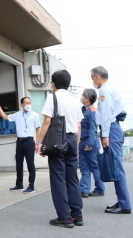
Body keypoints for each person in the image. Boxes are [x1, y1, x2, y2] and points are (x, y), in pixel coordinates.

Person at [36, 70, 84, 228]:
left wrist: (39, 142)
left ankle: (64, 217)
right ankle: (77, 215)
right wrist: (76, 146)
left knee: (58, 179)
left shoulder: (53, 97)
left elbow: (47, 121)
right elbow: (78, 125)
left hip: (58, 140)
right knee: (72, 179)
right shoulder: (75, 100)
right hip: (71, 140)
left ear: (54, 84)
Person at [91, 66, 132, 214]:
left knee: (116, 169)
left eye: (92, 78)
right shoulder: (111, 89)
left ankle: (124, 205)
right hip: (114, 129)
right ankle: (122, 202)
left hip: (111, 130)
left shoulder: (104, 91)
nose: (92, 81)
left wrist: (105, 135)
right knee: (116, 168)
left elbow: (107, 114)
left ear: (97, 77)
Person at [0, 97, 40, 193]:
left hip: (29, 142)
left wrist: (37, 143)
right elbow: (5, 117)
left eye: (29, 103)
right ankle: (19, 185)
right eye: (26, 103)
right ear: (22, 105)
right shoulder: (17, 115)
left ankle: (31, 186)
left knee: (30, 165)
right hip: (19, 142)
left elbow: (38, 129)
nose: (28, 104)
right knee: (19, 164)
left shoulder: (35, 115)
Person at [79, 89, 105, 198]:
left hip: (90, 142)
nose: (81, 97)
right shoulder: (83, 110)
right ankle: (83, 190)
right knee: (84, 168)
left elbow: (93, 129)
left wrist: (89, 144)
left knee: (94, 167)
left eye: (83, 95)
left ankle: (100, 189)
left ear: (87, 98)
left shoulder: (92, 111)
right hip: (82, 142)